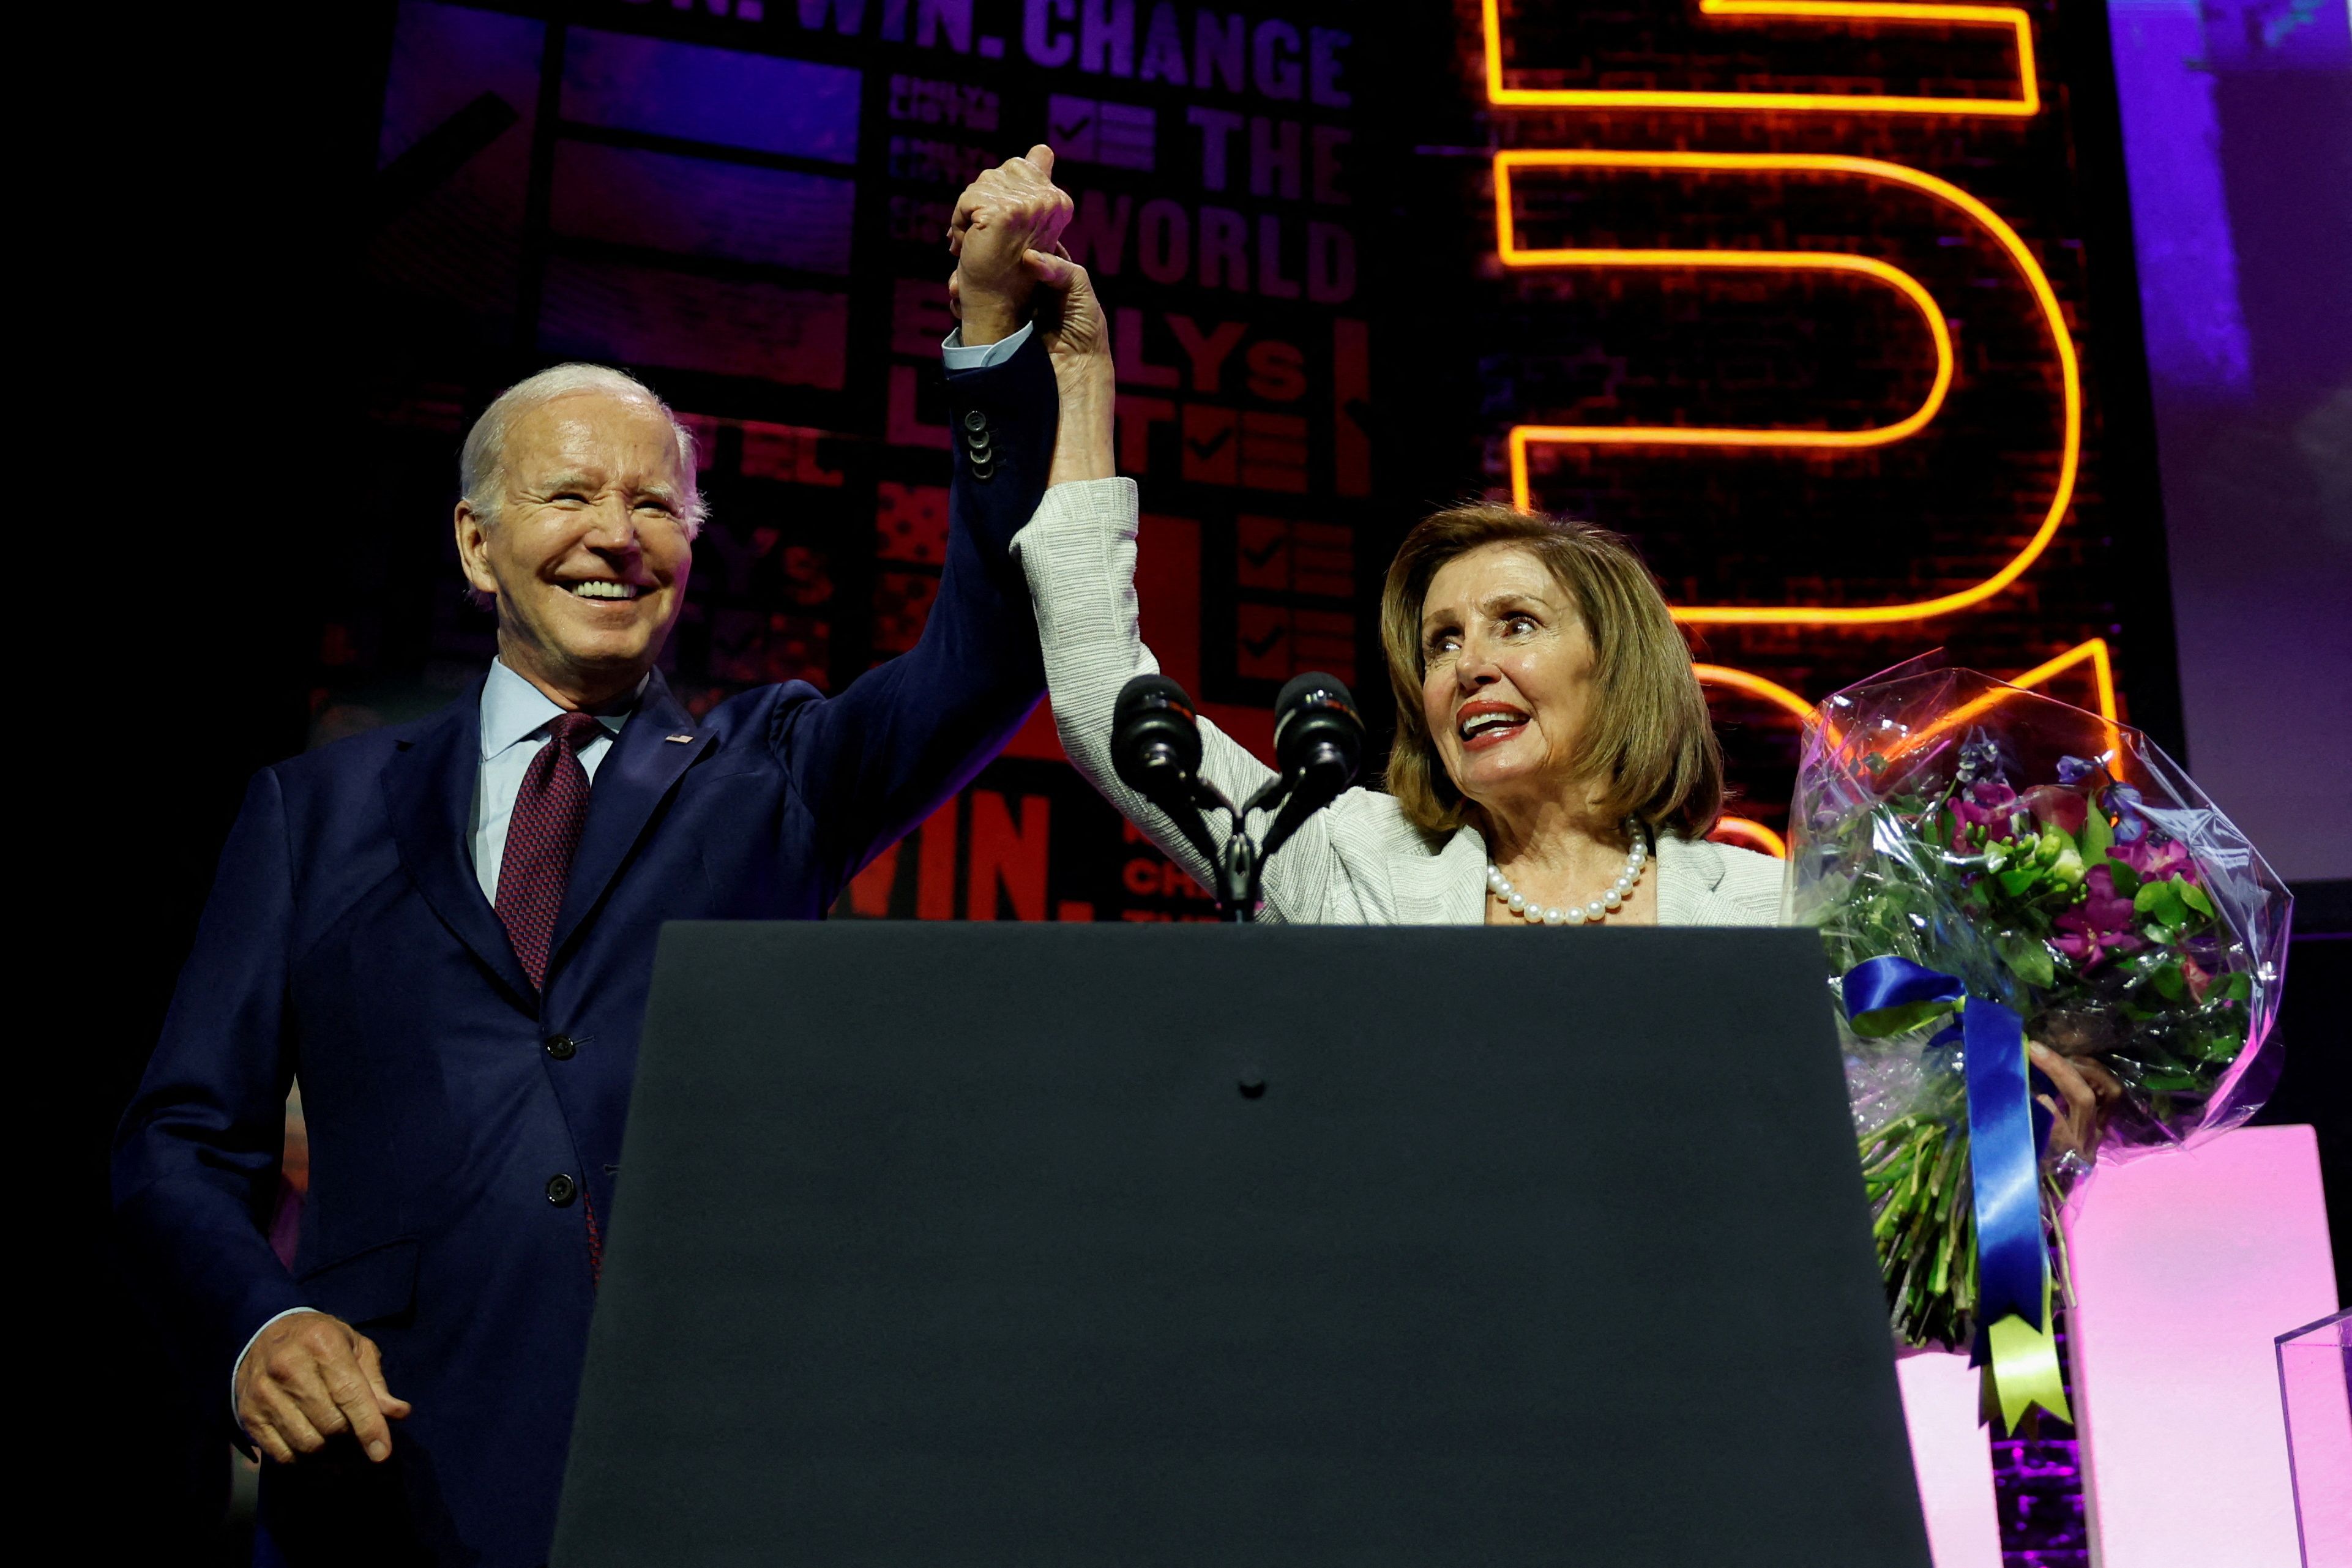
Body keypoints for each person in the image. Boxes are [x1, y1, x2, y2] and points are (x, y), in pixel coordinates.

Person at [113, 147, 1077, 1568]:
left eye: (656, 507)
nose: (616, 539)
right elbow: (178, 1144)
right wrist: (260, 1318)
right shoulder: (310, 814)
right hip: (391, 1471)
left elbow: (992, 651)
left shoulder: (780, 769)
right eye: (570, 499)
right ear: (475, 542)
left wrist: (990, 345)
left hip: (710, 1465)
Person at [1001, 230, 2115, 1160]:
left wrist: (2019, 1141)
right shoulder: (1351, 859)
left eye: (1514, 625)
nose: (1464, 665)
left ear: (1614, 666)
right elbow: (1105, 698)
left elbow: (1868, 1214)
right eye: (1440, 643)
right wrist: (1085, 372)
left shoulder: (1777, 914)